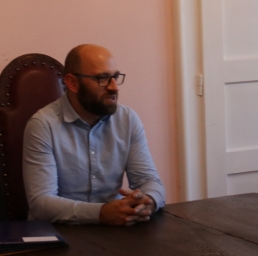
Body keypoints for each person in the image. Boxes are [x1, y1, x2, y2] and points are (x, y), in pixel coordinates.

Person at [23, 44, 166, 225]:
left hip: (115, 229)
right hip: (59, 232)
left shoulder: (127, 119)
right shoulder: (43, 125)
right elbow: (41, 203)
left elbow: (149, 180)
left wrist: (147, 202)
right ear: (73, 83)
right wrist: (101, 213)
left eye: (115, 77)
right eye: (102, 78)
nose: (114, 87)